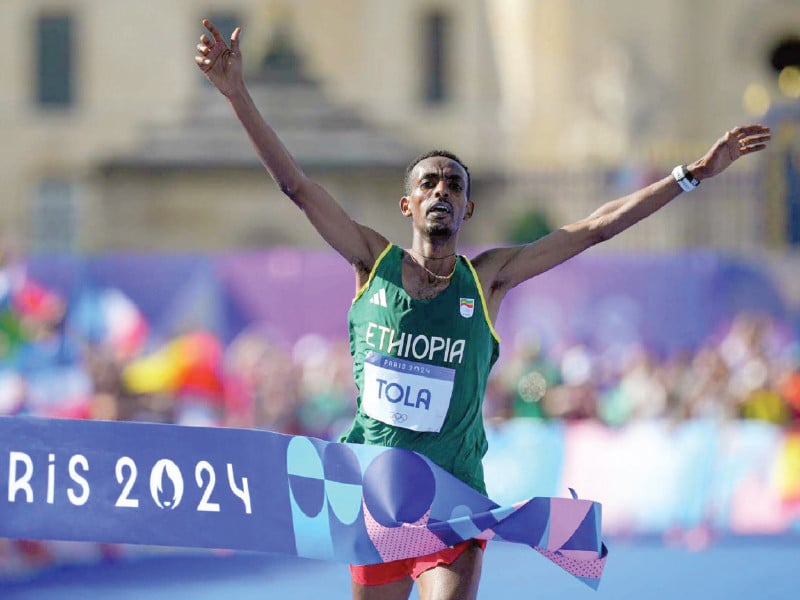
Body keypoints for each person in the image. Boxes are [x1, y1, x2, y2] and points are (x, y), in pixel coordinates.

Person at [194, 18, 771, 600]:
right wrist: (237, 94)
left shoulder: (487, 279)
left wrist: (691, 174)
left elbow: (593, 228)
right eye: (429, 184)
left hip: (454, 500)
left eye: (453, 185)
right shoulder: (372, 263)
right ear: (407, 204)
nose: (441, 191)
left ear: (468, 208)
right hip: (378, 494)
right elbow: (297, 187)